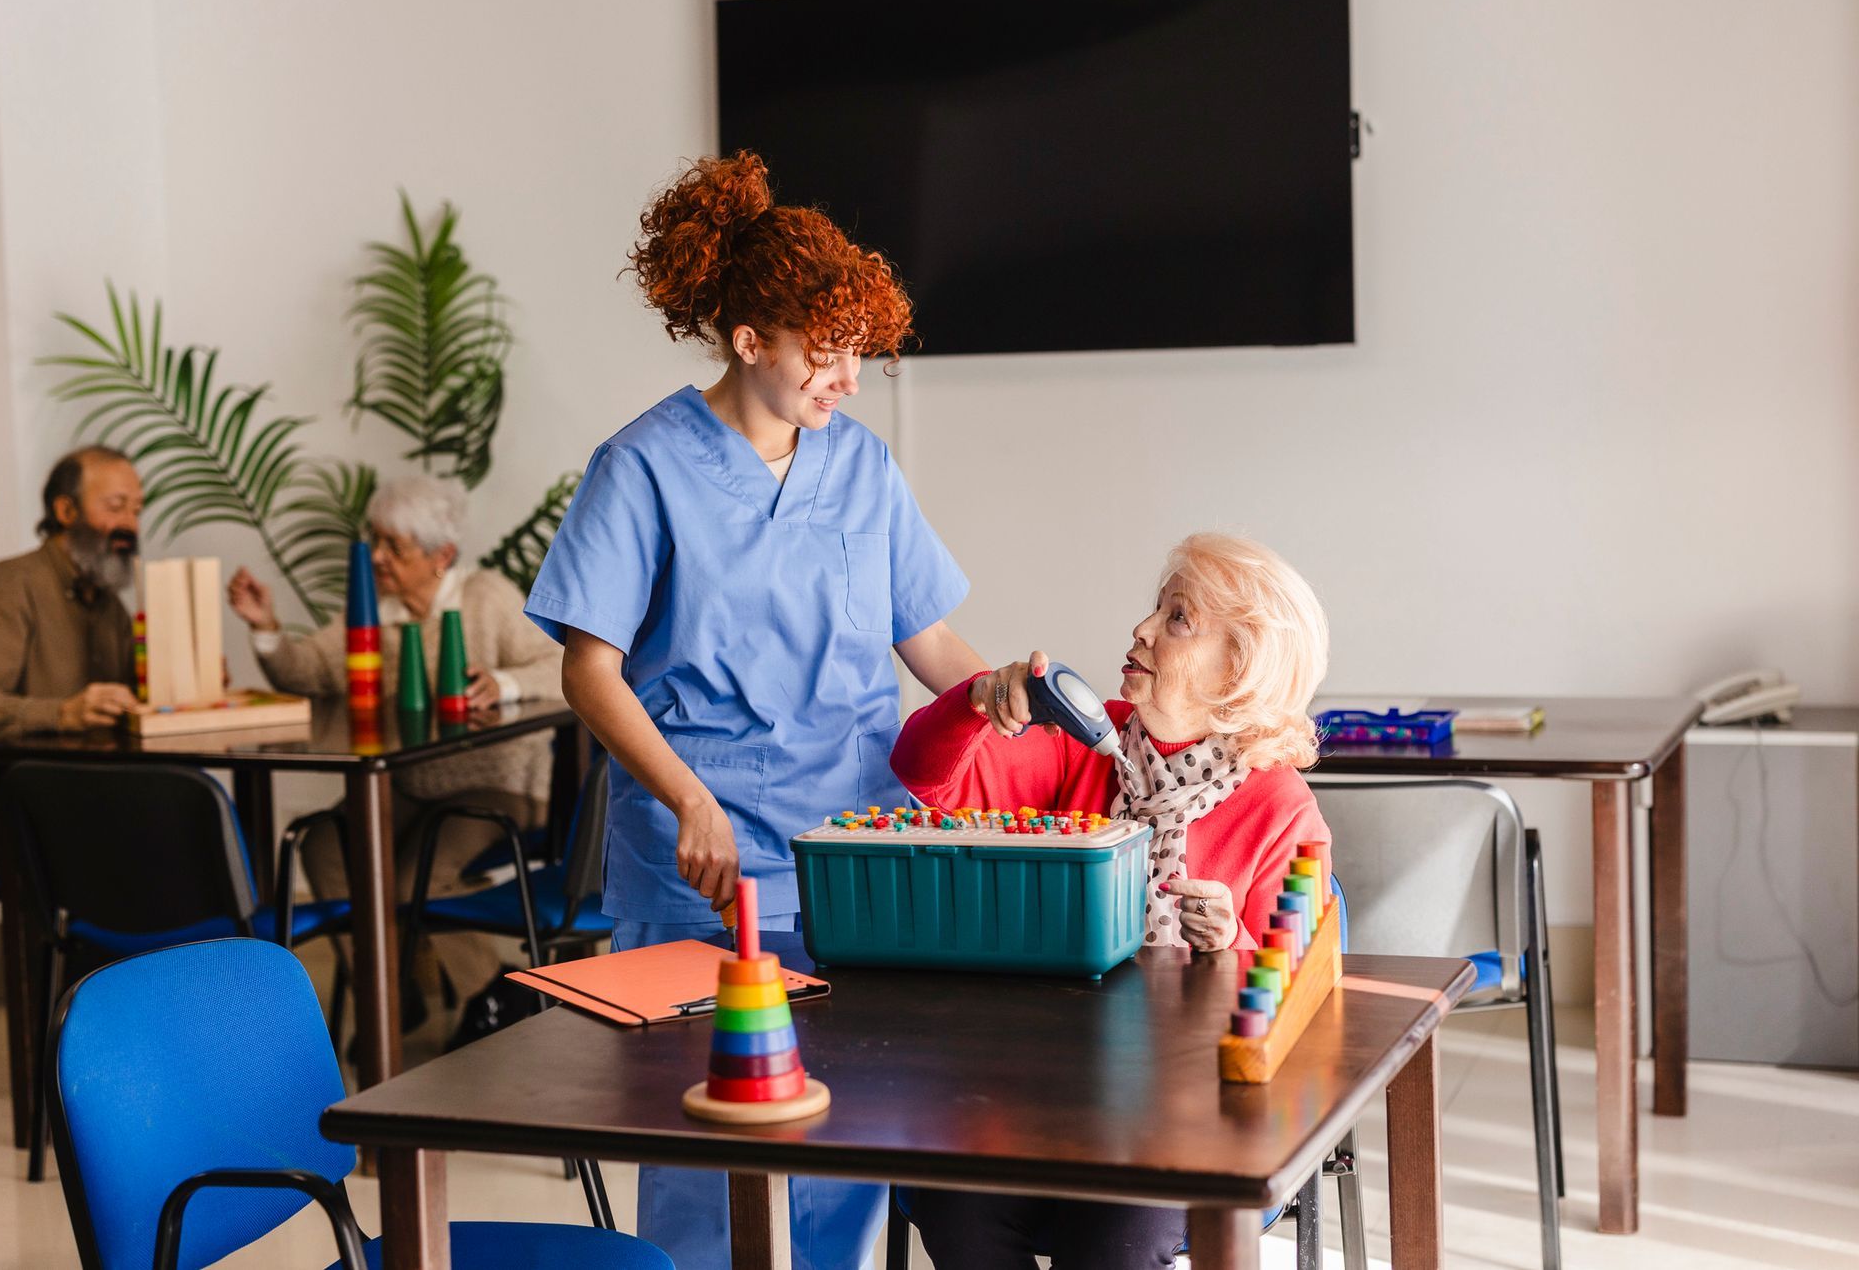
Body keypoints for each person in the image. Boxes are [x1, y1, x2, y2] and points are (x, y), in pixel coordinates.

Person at [525, 150, 988, 1270]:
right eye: (826, 354)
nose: (849, 379)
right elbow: (588, 669)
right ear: (748, 342)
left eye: (860, 354)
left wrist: (1007, 707)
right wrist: (689, 797)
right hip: (705, 858)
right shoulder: (640, 467)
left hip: (851, 855)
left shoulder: (863, 469)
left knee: (850, 1135)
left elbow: (929, 643)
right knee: (708, 1144)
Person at [889, 533, 1333, 1270]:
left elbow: (1307, 1008)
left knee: (1117, 1230)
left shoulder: (1281, 808)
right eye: (1156, 608)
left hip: (1193, 1114)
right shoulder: (1083, 748)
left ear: (1238, 666)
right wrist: (972, 700)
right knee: (952, 1197)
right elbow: (924, 773)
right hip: (1043, 1087)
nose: (1142, 629)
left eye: (1179, 618)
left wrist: (1232, 948)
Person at [227, 474, 563, 994]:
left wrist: (504, 682)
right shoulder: (375, 612)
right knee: (324, 846)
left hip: (500, 786)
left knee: (415, 880)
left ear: (441, 555)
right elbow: (310, 670)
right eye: (376, 540)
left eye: (394, 546)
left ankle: (491, 995)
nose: (377, 556)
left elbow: (562, 667)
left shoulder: (485, 597)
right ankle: (389, 993)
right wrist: (266, 628)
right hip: (408, 787)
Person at [0, 447, 143, 879]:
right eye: (116, 506)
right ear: (66, 510)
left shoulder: (110, 608)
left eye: (137, 510)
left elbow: (128, 704)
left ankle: (217, 944)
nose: (130, 524)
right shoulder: (3, 588)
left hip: (66, 793)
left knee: (181, 811)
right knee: (133, 836)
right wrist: (62, 713)